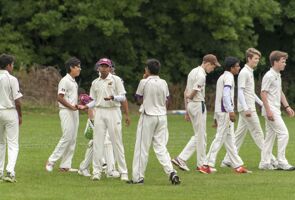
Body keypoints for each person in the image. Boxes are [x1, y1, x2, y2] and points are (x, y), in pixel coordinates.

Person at [221, 48, 277, 168]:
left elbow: (250, 92)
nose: (257, 61)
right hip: (247, 109)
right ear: (249, 59)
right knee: (258, 134)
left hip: (248, 108)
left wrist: (261, 103)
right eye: (255, 58)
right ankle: (271, 160)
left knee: (239, 135)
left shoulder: (249, 71)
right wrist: (246, 108)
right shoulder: (244, 72)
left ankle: (227, 160)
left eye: (258, 59)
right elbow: (240, 92)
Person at [127, 59, 180, 185]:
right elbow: (167, 100)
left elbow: (138, 99)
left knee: (141, 147)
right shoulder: (164, 82)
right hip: (162, 117)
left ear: (147, 70)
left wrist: (144, 80)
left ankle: (138, 178)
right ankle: (171, 172)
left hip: (148, 116)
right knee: (161, 146)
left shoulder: (144, 82)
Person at [78, 58, 129, 181]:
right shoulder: (95, 82)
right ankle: (97, 172)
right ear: (98, 68)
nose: (104, 68)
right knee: (98, 142)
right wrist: (85, 106)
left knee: (117, 142)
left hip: (113, 111)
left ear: (110, 68)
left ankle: (123, 172)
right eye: (102, 66)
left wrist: (113, 97)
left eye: (106, 66)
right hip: (100, 112)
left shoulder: (116, 80)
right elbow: (94, 100)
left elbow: (122, 97)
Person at [200, 56, 251, 174]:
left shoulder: (222, 77)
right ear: (232, 67)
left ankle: (237, 165)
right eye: (237, 66)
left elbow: (218, 97)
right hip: (225, 112)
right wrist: (230, 111)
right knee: (219, 138)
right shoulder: (229, 78)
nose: (239, 68)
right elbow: (226, 95)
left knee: (230, 139)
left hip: (221, 112)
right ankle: (206, 164)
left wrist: (215, 117)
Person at [172, 54, 220, 172]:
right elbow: (191, 92)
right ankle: (200, 164)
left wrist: (187, 108)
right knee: (201, 135)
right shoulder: (201, 75)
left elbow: (185, 92)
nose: (212, 69)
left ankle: (186, 160)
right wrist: (190, 97)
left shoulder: (192, 71)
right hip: (198, 104)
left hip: (191, 105)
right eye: (213, 67)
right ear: (208, 63)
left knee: (199, 134)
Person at [259, 50, 295, 170]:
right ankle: (282, 162)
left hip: (275, 109)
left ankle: (264, 163)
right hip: (271, 110)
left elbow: (279, 92)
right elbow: (263, 93)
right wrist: (268, 111)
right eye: (283, 61)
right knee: (284, 133)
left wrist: (287, 107)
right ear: (275, 62)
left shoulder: (277, 75)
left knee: (270, 136)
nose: (285, 64)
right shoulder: (269, 76)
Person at [45, 57, 81, 172]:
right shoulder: (65, 80)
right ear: (71, 67)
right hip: (66, 112)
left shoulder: (73, 81)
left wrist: (77, 105)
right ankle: (51, 161)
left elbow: (70, 98)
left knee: (73, 138)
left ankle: (65, 165)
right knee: (67, 137)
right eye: (78, 66)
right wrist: (71, 107)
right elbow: (59, 98)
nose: (80, 69)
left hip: (74, 112)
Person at [0, 54, 22, 183]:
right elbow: (17, 101)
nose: (13, 67)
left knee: (0, 143)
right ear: (8, 65)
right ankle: (10, 172)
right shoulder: (12, 79)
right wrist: (20, 115)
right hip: (9, 112)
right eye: (12, 64)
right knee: (13, 143)